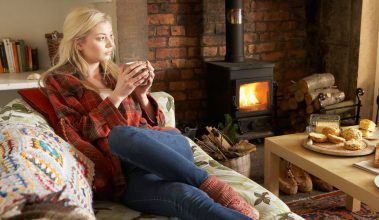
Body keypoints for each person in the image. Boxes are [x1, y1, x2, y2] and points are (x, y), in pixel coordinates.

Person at [41, 7, 259, 220]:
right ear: (79, 42)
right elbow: (81, 131)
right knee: (186, 196)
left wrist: (142, 94)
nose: (110, 44)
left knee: (122, 135)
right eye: (101, 38)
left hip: (167, 150)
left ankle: (214, 187)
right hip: (125, 174)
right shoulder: (59, 81)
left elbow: (157, 123)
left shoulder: (117, 73)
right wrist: (118, 95)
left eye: (110, 36)